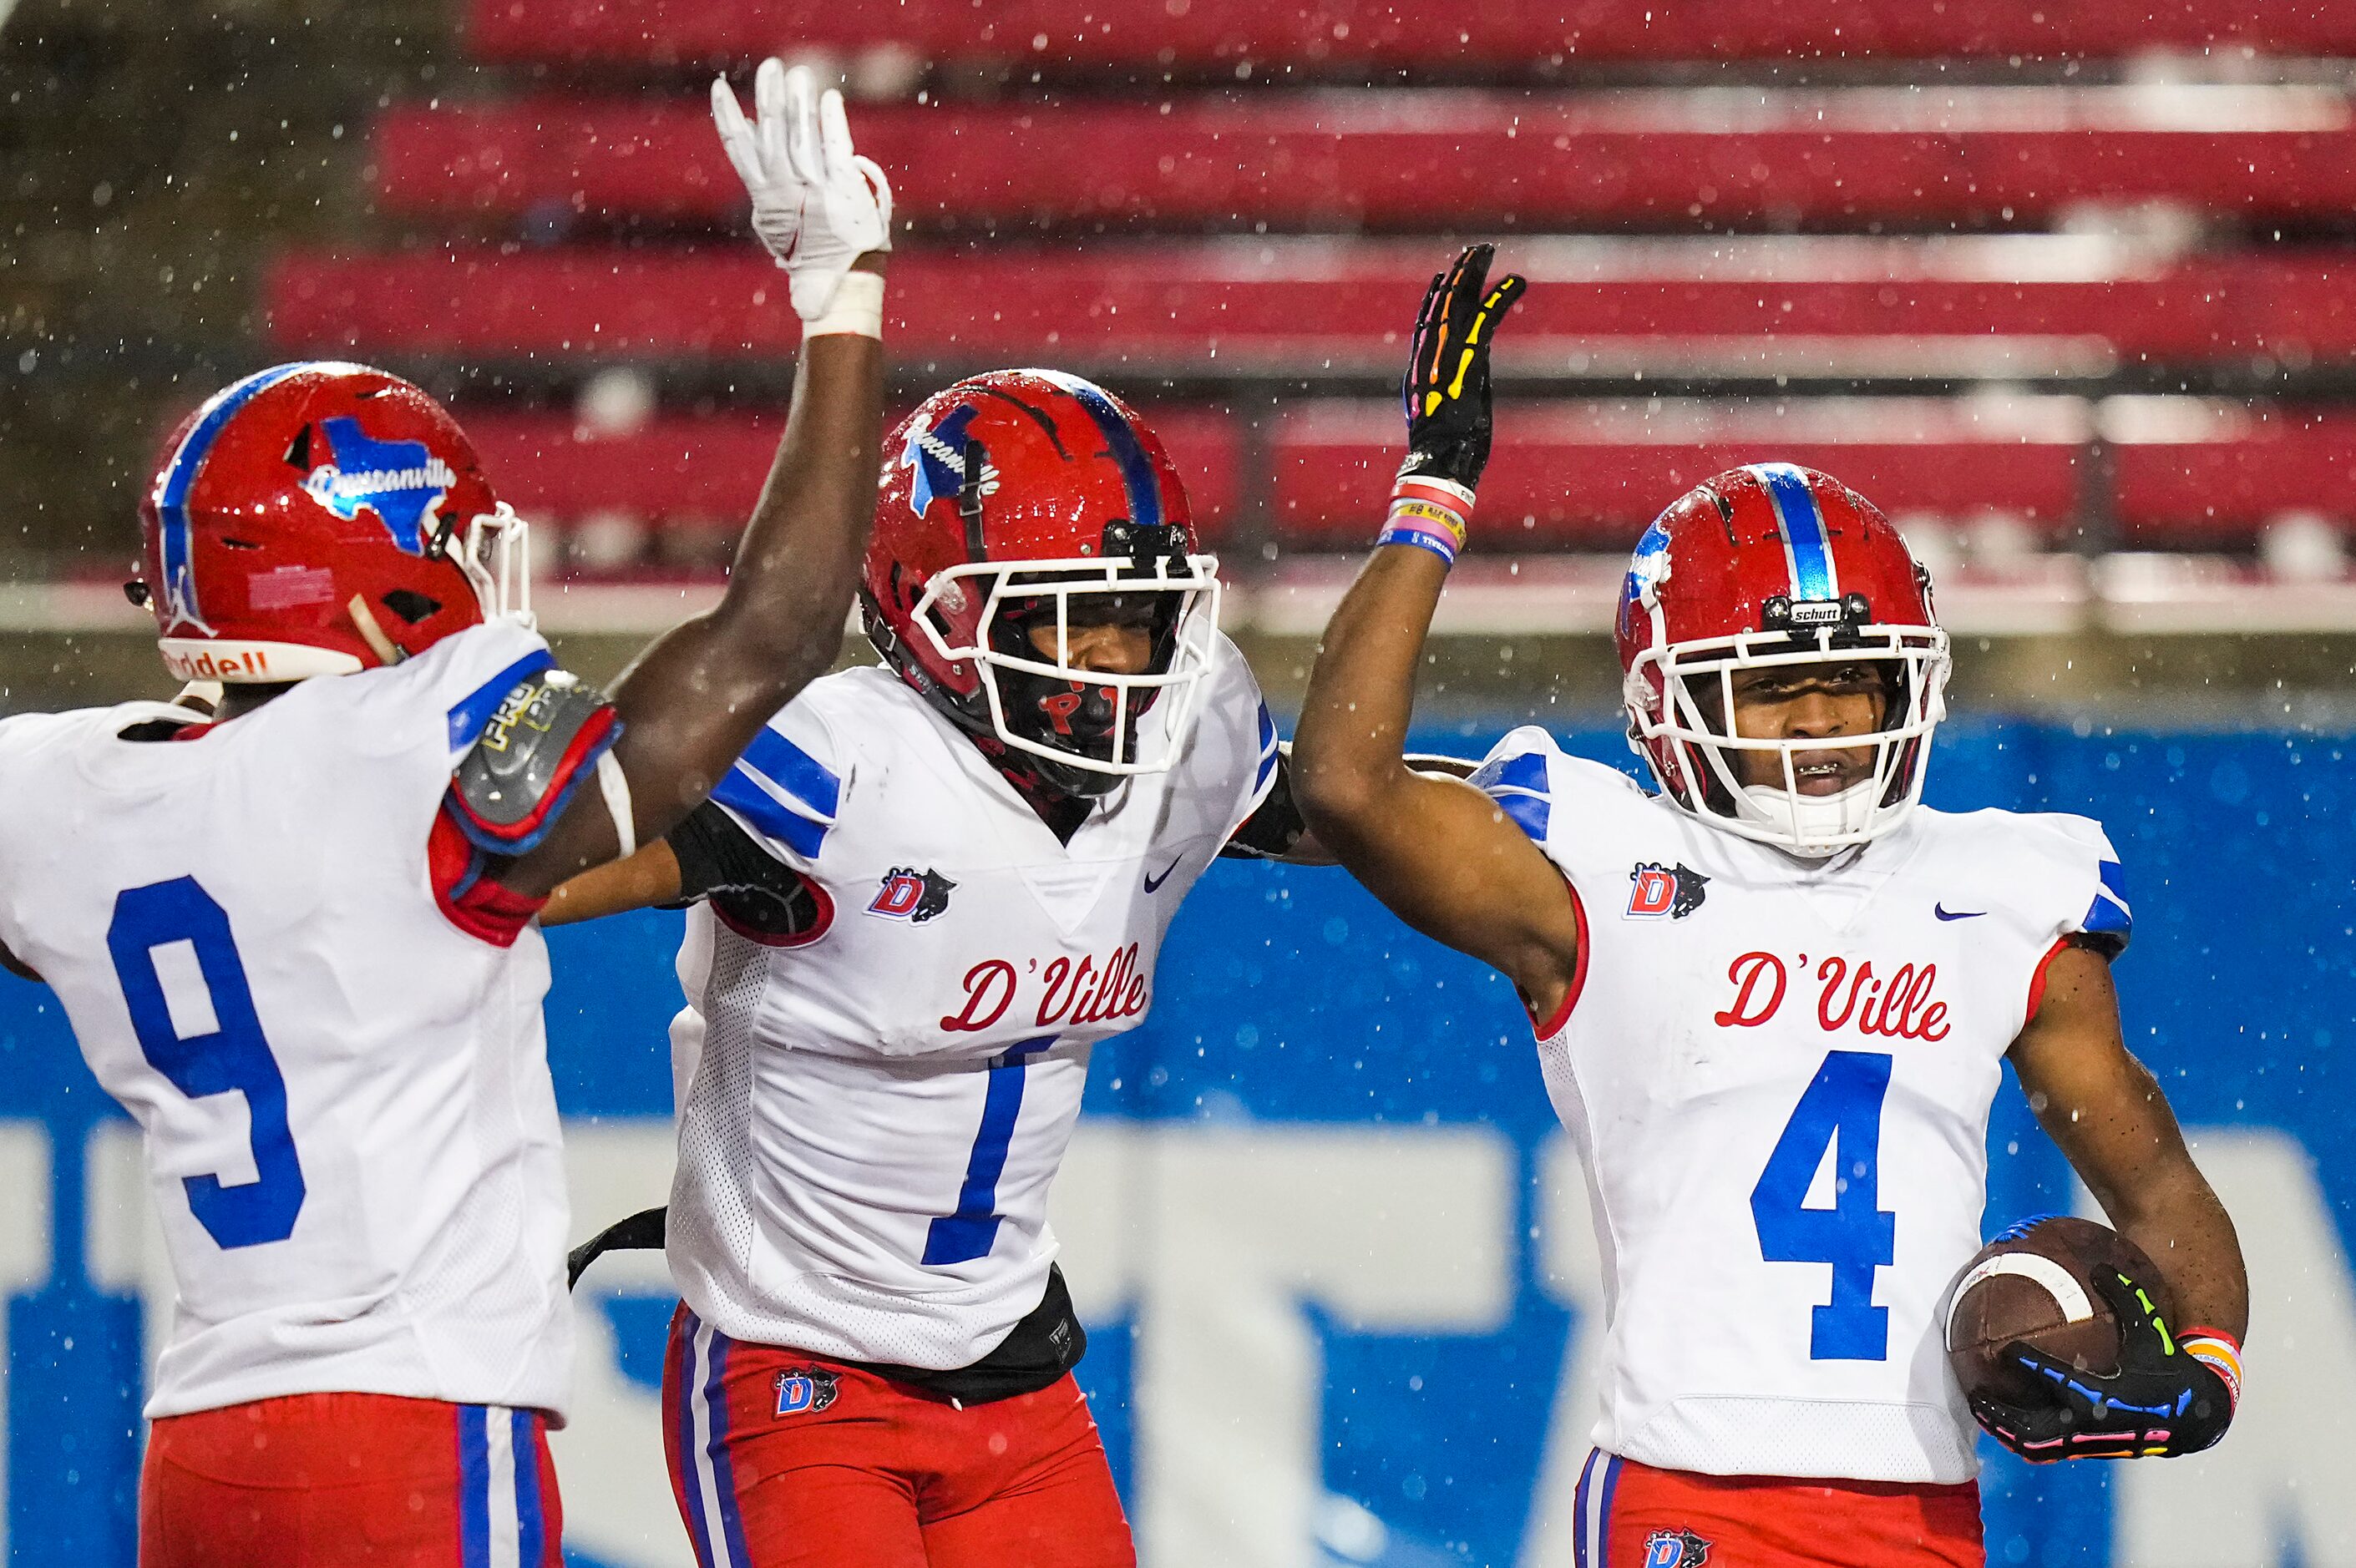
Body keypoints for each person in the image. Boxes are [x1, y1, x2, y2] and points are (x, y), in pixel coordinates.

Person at [0, 60, 891, 1567]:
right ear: (384, 561)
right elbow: (774, 633)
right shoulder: (416, 740)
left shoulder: (59, 787)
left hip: (206, 1447)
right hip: (411, 1424)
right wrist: (843, 303)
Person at [1288, 245, 2249, 1566]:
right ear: (1670, 705)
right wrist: (1433, 494)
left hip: (1921, 1501)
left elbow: (2152, 1176)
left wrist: (2205, 1367)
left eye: (1849, 684)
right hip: (1692, 1490)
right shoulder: (1598, 865)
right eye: (1773, 691)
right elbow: (1342, 780)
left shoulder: (2000, 889)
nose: (1821, 724)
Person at [547, 363, 1336, 1568]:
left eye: (1140, 620)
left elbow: (1366, 813)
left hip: (1012, 1374)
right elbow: (524, 874)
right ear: (938, 614)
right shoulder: (839, 764)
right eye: (1072, 622)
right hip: (798, 1364)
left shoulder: (1190, 737)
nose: (1119, 669)